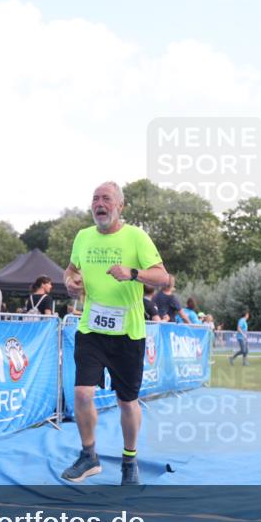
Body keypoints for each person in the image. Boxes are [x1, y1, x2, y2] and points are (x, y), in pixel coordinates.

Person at [61, 181, 169, 486]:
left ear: (120, 206)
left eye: (106, 198)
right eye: (95, 198)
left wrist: (133, 273)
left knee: (126, 401)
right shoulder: (83, 237)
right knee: (82, 393)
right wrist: (70, 281)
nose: (99, 203)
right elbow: (69, 270)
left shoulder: (136, 237)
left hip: (128, 333)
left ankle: (129, 461)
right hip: (91, 328)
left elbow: (162, 276)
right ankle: (89, 456)